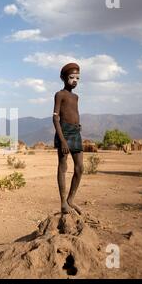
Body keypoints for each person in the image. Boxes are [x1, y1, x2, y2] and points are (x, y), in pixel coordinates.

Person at [52, 62, 84, 215]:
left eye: (77, 77)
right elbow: (55, 119)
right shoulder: (60, 95)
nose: (75, 80)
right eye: (71, 77)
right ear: (63, 78)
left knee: (80, 168)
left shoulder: (76, 97)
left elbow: (74, 113)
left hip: (75, 132)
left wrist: (78, 126)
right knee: (63, 167)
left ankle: (71, 199)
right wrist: (63, 140)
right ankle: (63, 203)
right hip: (63, 132)